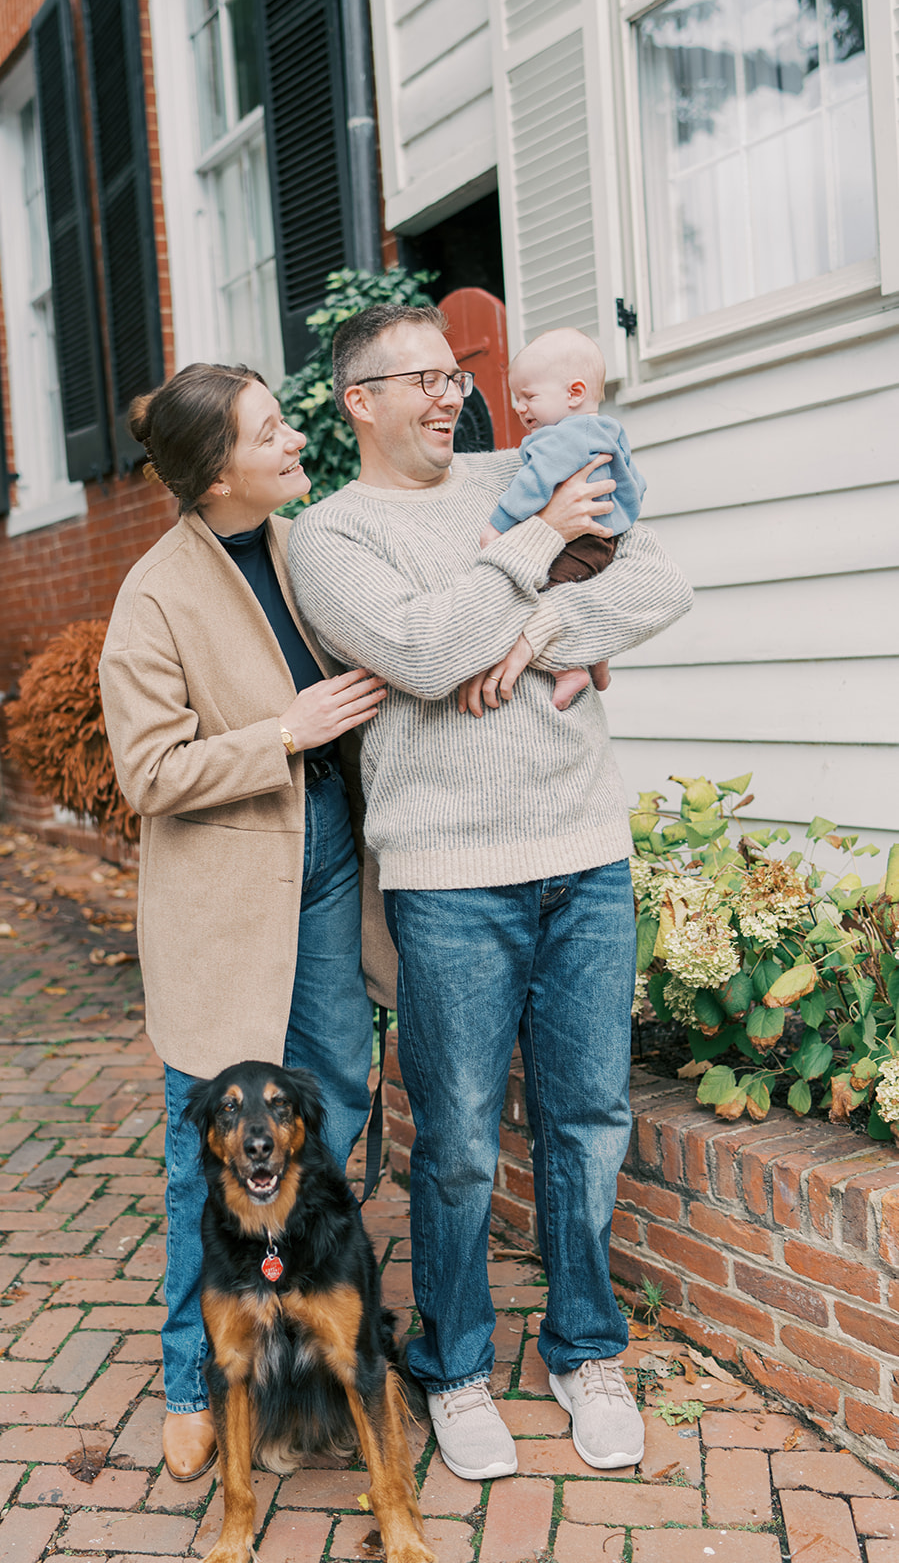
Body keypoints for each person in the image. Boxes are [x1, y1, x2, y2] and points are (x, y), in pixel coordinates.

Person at [286, 304, 693, 1481]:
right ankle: (455, 1365)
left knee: (588, 1120)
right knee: (459, 1142)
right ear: (357, 401)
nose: (448, 392)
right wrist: (525, 558)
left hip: (583, 852)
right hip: (451, 877)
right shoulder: (331, 535)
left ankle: (584, 1349)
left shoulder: (527, 467)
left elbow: (656, 580)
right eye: (417, 378)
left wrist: (542, 631)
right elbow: (414, 651)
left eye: (451, 372)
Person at [98, 362, 395, 1487]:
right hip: (224, 903)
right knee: (203, 1158)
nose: (292, 437)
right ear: (217, 470)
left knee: (329, 1101)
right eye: (270, 429)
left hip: (324, 872)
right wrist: (282, 729)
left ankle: (321, 1331)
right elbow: (147, 771)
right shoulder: (153, 593)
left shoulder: (294, 542)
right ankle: (194, 1380)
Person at [480, 327, 647, 711]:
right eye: (516, 398)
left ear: (573, 393)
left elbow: (534, 483)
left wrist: (500, 523)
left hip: (579, 542)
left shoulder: (561, 438)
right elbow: (636, 483)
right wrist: (623, 514)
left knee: (544, 594)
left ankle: (567, 669)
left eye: (529, 397)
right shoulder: (608, 429)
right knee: (585, 595)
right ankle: (599, 659)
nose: (520, 408)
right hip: (605, 539)